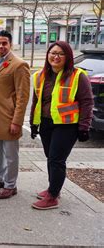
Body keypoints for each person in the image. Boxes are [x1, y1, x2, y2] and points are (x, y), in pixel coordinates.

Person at [30, 41, 93, 210]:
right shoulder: (40, 75)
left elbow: (87, 102)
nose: (56, 57)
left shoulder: (77, 75)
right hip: (46, 122)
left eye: (60, 54)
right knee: (50, 157)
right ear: (47, 55)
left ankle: (52, 197)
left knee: (57, 160)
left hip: (66, 125)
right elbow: (36, 101)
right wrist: (33, 123)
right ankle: (53, 189)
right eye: (53, 53)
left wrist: (84, 127)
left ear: (67, 57)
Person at [0, 30, 30, 199]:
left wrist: (17, 121)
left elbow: (23, 96)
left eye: (4, 43)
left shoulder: (19, 64)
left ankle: (11, 185)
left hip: (10, 116)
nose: (1, 46)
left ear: (11, 44)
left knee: (10, 154)